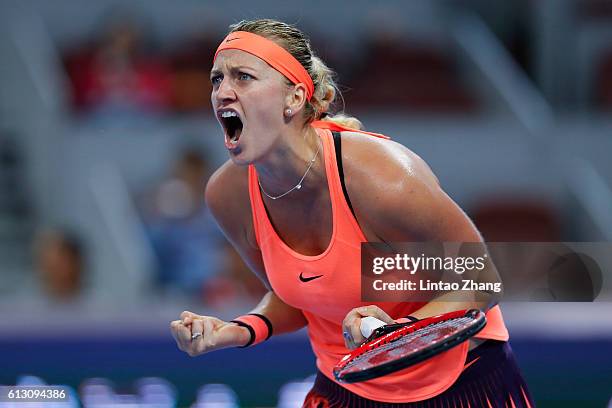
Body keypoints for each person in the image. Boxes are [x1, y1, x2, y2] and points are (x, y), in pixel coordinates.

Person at [170, 19, 534, 407]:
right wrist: (236, 330)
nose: (223, 92)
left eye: (243, 77)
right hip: (343, 389)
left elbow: (482, 279)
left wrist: (394, 334)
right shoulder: (228, 195)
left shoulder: (381, 180)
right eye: (216, 79)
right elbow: (297, 295)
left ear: (293, 98)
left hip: (463, 383)